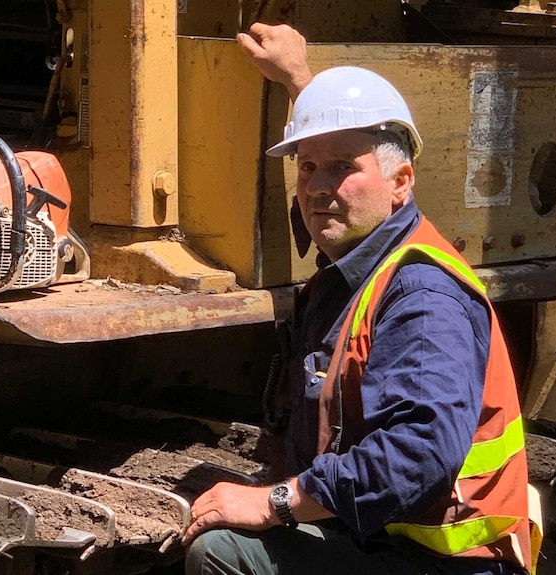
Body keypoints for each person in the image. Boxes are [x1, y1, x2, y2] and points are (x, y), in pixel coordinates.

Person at [183, 23, 536, 575]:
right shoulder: (353, 271)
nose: (319, 187)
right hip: (382, 539)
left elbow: (418, 454)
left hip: (441, 562)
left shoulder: (423, 295)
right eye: (306, 167)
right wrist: (301, 82)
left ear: (401, 181)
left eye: (344, 167)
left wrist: (275, 502)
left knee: (222, 556)